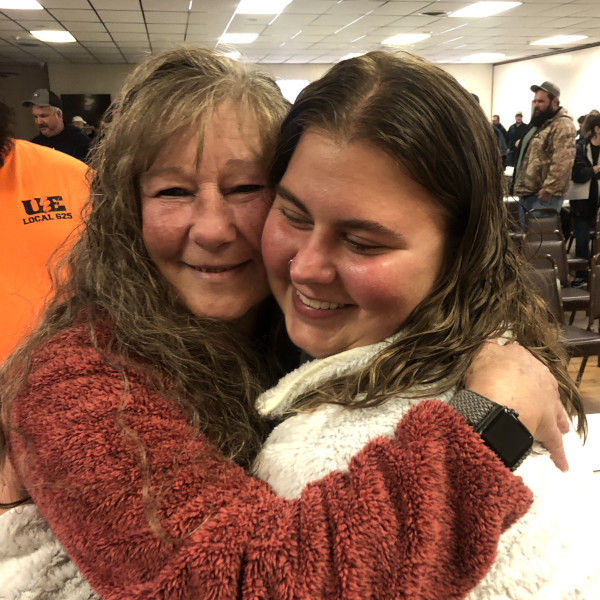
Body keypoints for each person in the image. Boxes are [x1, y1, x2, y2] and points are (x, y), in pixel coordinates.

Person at [0, 47, 568, 599]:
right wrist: (489, 423)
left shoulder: (295, 328)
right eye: (172, 191)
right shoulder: (77, 379)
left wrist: (495, 346)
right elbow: (245, 583)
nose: (215, 229)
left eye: (246, 188)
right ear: (127, 211)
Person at [255, 51, 598, 598]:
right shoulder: (489, 351)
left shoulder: (328, 460)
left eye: (363, 242)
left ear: (460, 252)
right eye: (293, 214)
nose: (304, 268)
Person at [0, 100, 89, 362]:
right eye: (35, 115)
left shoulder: (74, 174)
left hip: (67, 370)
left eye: (44, 114)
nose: (40, 120)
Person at [512, 80, 576, 227]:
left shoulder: (563, 125)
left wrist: (549, 189)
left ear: (555, 101)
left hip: (544, 196)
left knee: (539, 241)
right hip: (529, 192)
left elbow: (563, 161)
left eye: (541, 101)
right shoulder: (540, 125)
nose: (536, 105)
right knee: (529, 240)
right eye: (535, 101)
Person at [23, 89, 91, 162]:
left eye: (43, 116)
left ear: (58, 114)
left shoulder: (80, 141)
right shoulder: (34, 145)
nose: (39, 122)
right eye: (35, 116)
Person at [570, 112, 600, 282]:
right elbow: (578, 174)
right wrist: (596, 169)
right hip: (582, 203)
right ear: (597, 129)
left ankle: (595, 278)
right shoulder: (580, 147)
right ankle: (582, 276)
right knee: (581, 241)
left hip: (598, 203)